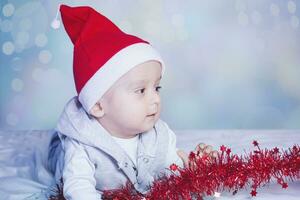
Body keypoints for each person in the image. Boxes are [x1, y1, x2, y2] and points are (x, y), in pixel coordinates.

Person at [47, 4, 214, 200]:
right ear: (98, 106)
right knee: (58, 156)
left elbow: (170, 169)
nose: (155, 98)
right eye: (140, 90)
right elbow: (78, 188)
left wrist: (191, 166)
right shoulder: (82, 145)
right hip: (64, 156)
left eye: (157, 88)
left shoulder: (160, 135)